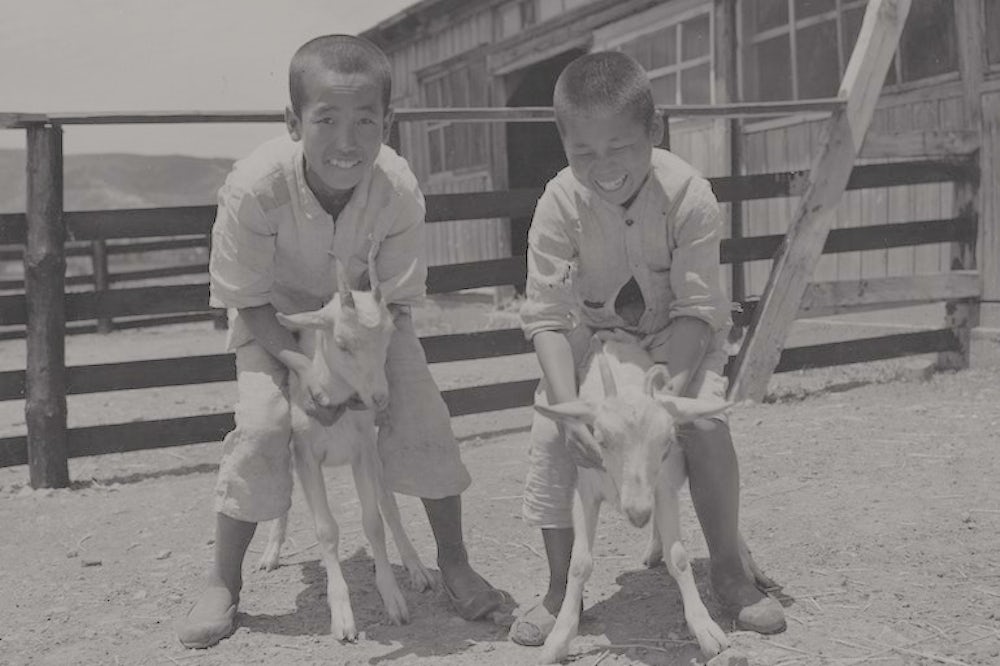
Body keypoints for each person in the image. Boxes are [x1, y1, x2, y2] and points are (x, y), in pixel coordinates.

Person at [176, 34, 506, 649]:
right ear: (293, 122)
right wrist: (305, 365)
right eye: (326, 119)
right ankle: (223, 581)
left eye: (366, 121)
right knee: (264, 421)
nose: (347, 141)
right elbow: (245, 299)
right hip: (271, 321)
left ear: (390, 122)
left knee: (422, 408)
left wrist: (366, 373)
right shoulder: (254, 187)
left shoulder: (398, 188)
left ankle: (455, 563)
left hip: (365, 324)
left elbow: (398, 302)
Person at [508, 51, 786, 646]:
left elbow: (697, 309)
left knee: (703, 425)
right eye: (584, 152)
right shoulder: (558, 204)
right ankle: (561, 588)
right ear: (563, 145)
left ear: (654, 131)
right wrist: (567, 410)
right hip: (593, 339)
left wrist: (663, 390)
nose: (603, 166)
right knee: (552, 432)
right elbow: (549, 317)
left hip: (676, 339)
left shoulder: (689, 195)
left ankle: (731, 575)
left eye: (621, 147)